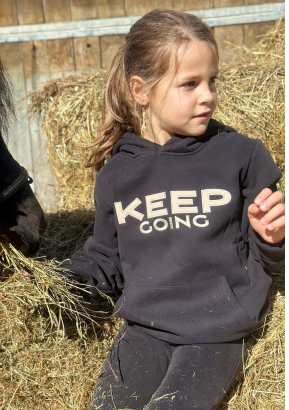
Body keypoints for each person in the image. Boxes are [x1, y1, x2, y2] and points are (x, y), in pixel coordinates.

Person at [63, 9, 285, 409]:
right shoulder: (117, 173)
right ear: (141, 90)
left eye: (211, 81)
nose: (208, 95)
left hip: (215, 329)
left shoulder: (241, 155)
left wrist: (273, 239)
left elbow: (271, 257)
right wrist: (62, 286)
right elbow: (106, 257)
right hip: (144, 331)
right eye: (190, 84)